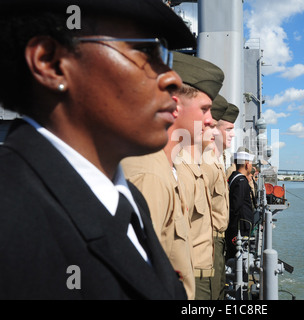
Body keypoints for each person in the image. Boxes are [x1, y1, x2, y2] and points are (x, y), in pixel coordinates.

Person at [0, 0, 195, 299]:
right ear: (51, 63)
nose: (173, 78)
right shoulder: (10, 218)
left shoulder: (129, 201)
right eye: (146, 51)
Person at [121, 52, 224, 300]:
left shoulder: (168, 168)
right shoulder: (150, 175)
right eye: (205, 109)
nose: (211, 121)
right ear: (175, 104)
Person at [170, 52, 224, 300]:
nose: (210, 122)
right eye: (205, 111)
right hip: (190, 277)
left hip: (203, 267)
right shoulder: (173, 168)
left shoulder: (194, 165)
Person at [201, 96, 239, 299]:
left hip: (217, 241)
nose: (233, 135)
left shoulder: (216, 161)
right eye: (228, 129)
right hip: (207, 243)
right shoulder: (207, 163)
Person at [226, 151, 255, 261]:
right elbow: (236, 206)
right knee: (239, 260)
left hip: (237, 226)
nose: (251, 166)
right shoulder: (242, 181)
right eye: (251, 164)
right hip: (240, 228)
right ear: (247, 164)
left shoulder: (234, 177)